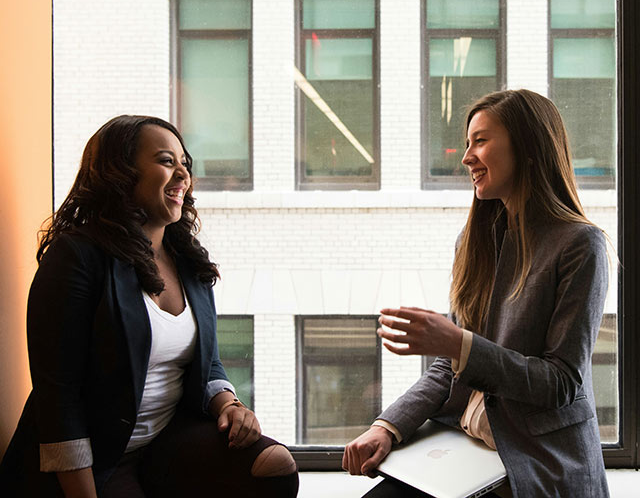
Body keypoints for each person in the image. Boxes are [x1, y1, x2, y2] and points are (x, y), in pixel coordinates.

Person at [0, 115, 299, 498]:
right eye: (165, 161)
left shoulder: (187, 259)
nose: (182, 176)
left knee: (274, 467)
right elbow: (59, 397)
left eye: (184, 164)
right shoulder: (76, 256)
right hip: (93, 461)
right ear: (120, 173)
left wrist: (230, 403)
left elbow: (205, 361)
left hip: (164, 443)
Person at [343, 89, 610, 498]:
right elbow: (449, 368)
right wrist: (387, 426)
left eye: (480, 141)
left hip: (536, 459)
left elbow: (561, 382)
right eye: (468, 143)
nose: (466, 157)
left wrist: (459, 343)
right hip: (464, 450)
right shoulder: (475, 240)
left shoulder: (579, 245)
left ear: (528, 147)